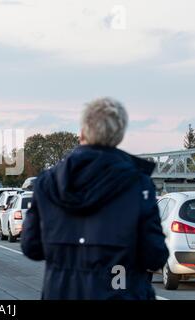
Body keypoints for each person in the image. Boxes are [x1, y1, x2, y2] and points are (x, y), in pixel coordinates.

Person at [21, 97, 169, 300]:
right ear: (118, 136)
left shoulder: (47, 183)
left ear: (82, 132)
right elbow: (155, 255)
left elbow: (32, 247)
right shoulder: (138, 184)